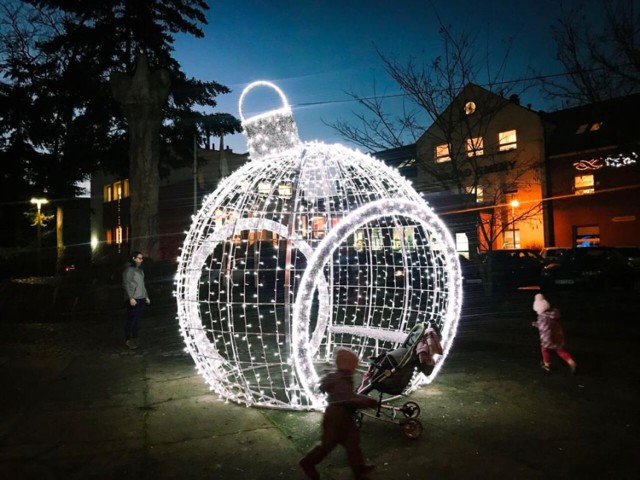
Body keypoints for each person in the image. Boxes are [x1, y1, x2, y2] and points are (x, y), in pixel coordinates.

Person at [299, 348, 378, 480]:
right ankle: (308, 463)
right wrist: (367, 401)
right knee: (327, 444)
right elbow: (348, 398)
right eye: (353, 365)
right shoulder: (340, 379)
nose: (354, 368)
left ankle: (359, 470)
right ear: (347, 365)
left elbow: (348, 396)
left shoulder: (343, 377)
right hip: (335, 417)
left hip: (344, 416)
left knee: (352, 443)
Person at [532, 293, 577, 374]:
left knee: (544, 350)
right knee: (560, 350)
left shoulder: (542, 317)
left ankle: (547, 365)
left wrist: (536, 324)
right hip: (557, 334)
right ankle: (571, 362)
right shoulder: (552, 314)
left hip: (548, 337)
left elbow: (543, 328)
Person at [122, 251, 150, 349]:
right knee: (131, 319)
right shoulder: (129, 270)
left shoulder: (140, 270)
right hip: (134, 298)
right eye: (139, 258)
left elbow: (142, 284)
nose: (141, 260)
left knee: (137, 320)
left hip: (141, 297)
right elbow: (127, 284)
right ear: (133, 258)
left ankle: (135, 338)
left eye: (142, 258)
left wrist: (146, 296)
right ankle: (128, 339)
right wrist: (131, 297)